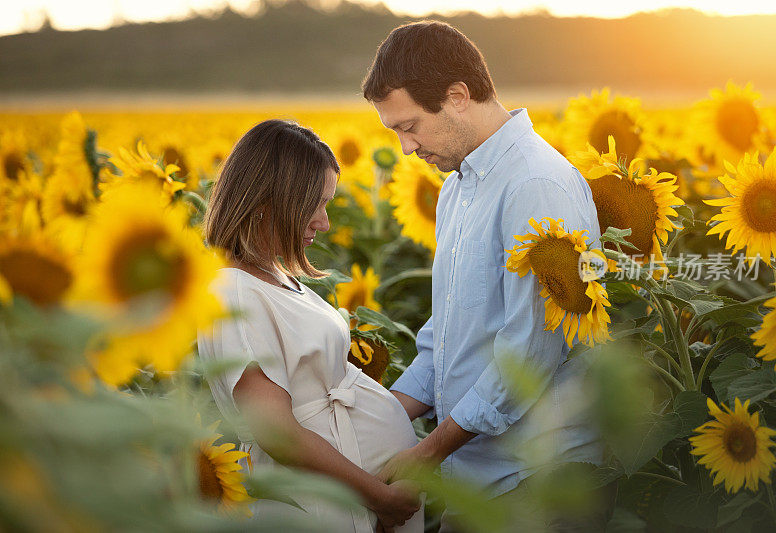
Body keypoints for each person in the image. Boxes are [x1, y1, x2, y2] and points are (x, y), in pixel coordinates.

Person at [362, 21, 615, 531]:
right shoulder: (458, 188)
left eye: (409, 127)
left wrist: (428, 452)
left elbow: (533, 349)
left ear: (457, 96)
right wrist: (375, 417)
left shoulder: (535, 184)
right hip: (480, 475)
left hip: (539, 478)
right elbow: (447, 335)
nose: (407, 148)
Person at [197, 119, 423, 532]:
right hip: (318, 507)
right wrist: (379, 498)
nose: (324, 222)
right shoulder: (232, 291)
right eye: (314, 204)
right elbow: (276, 431)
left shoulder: (274, 278)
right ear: (268, 200)